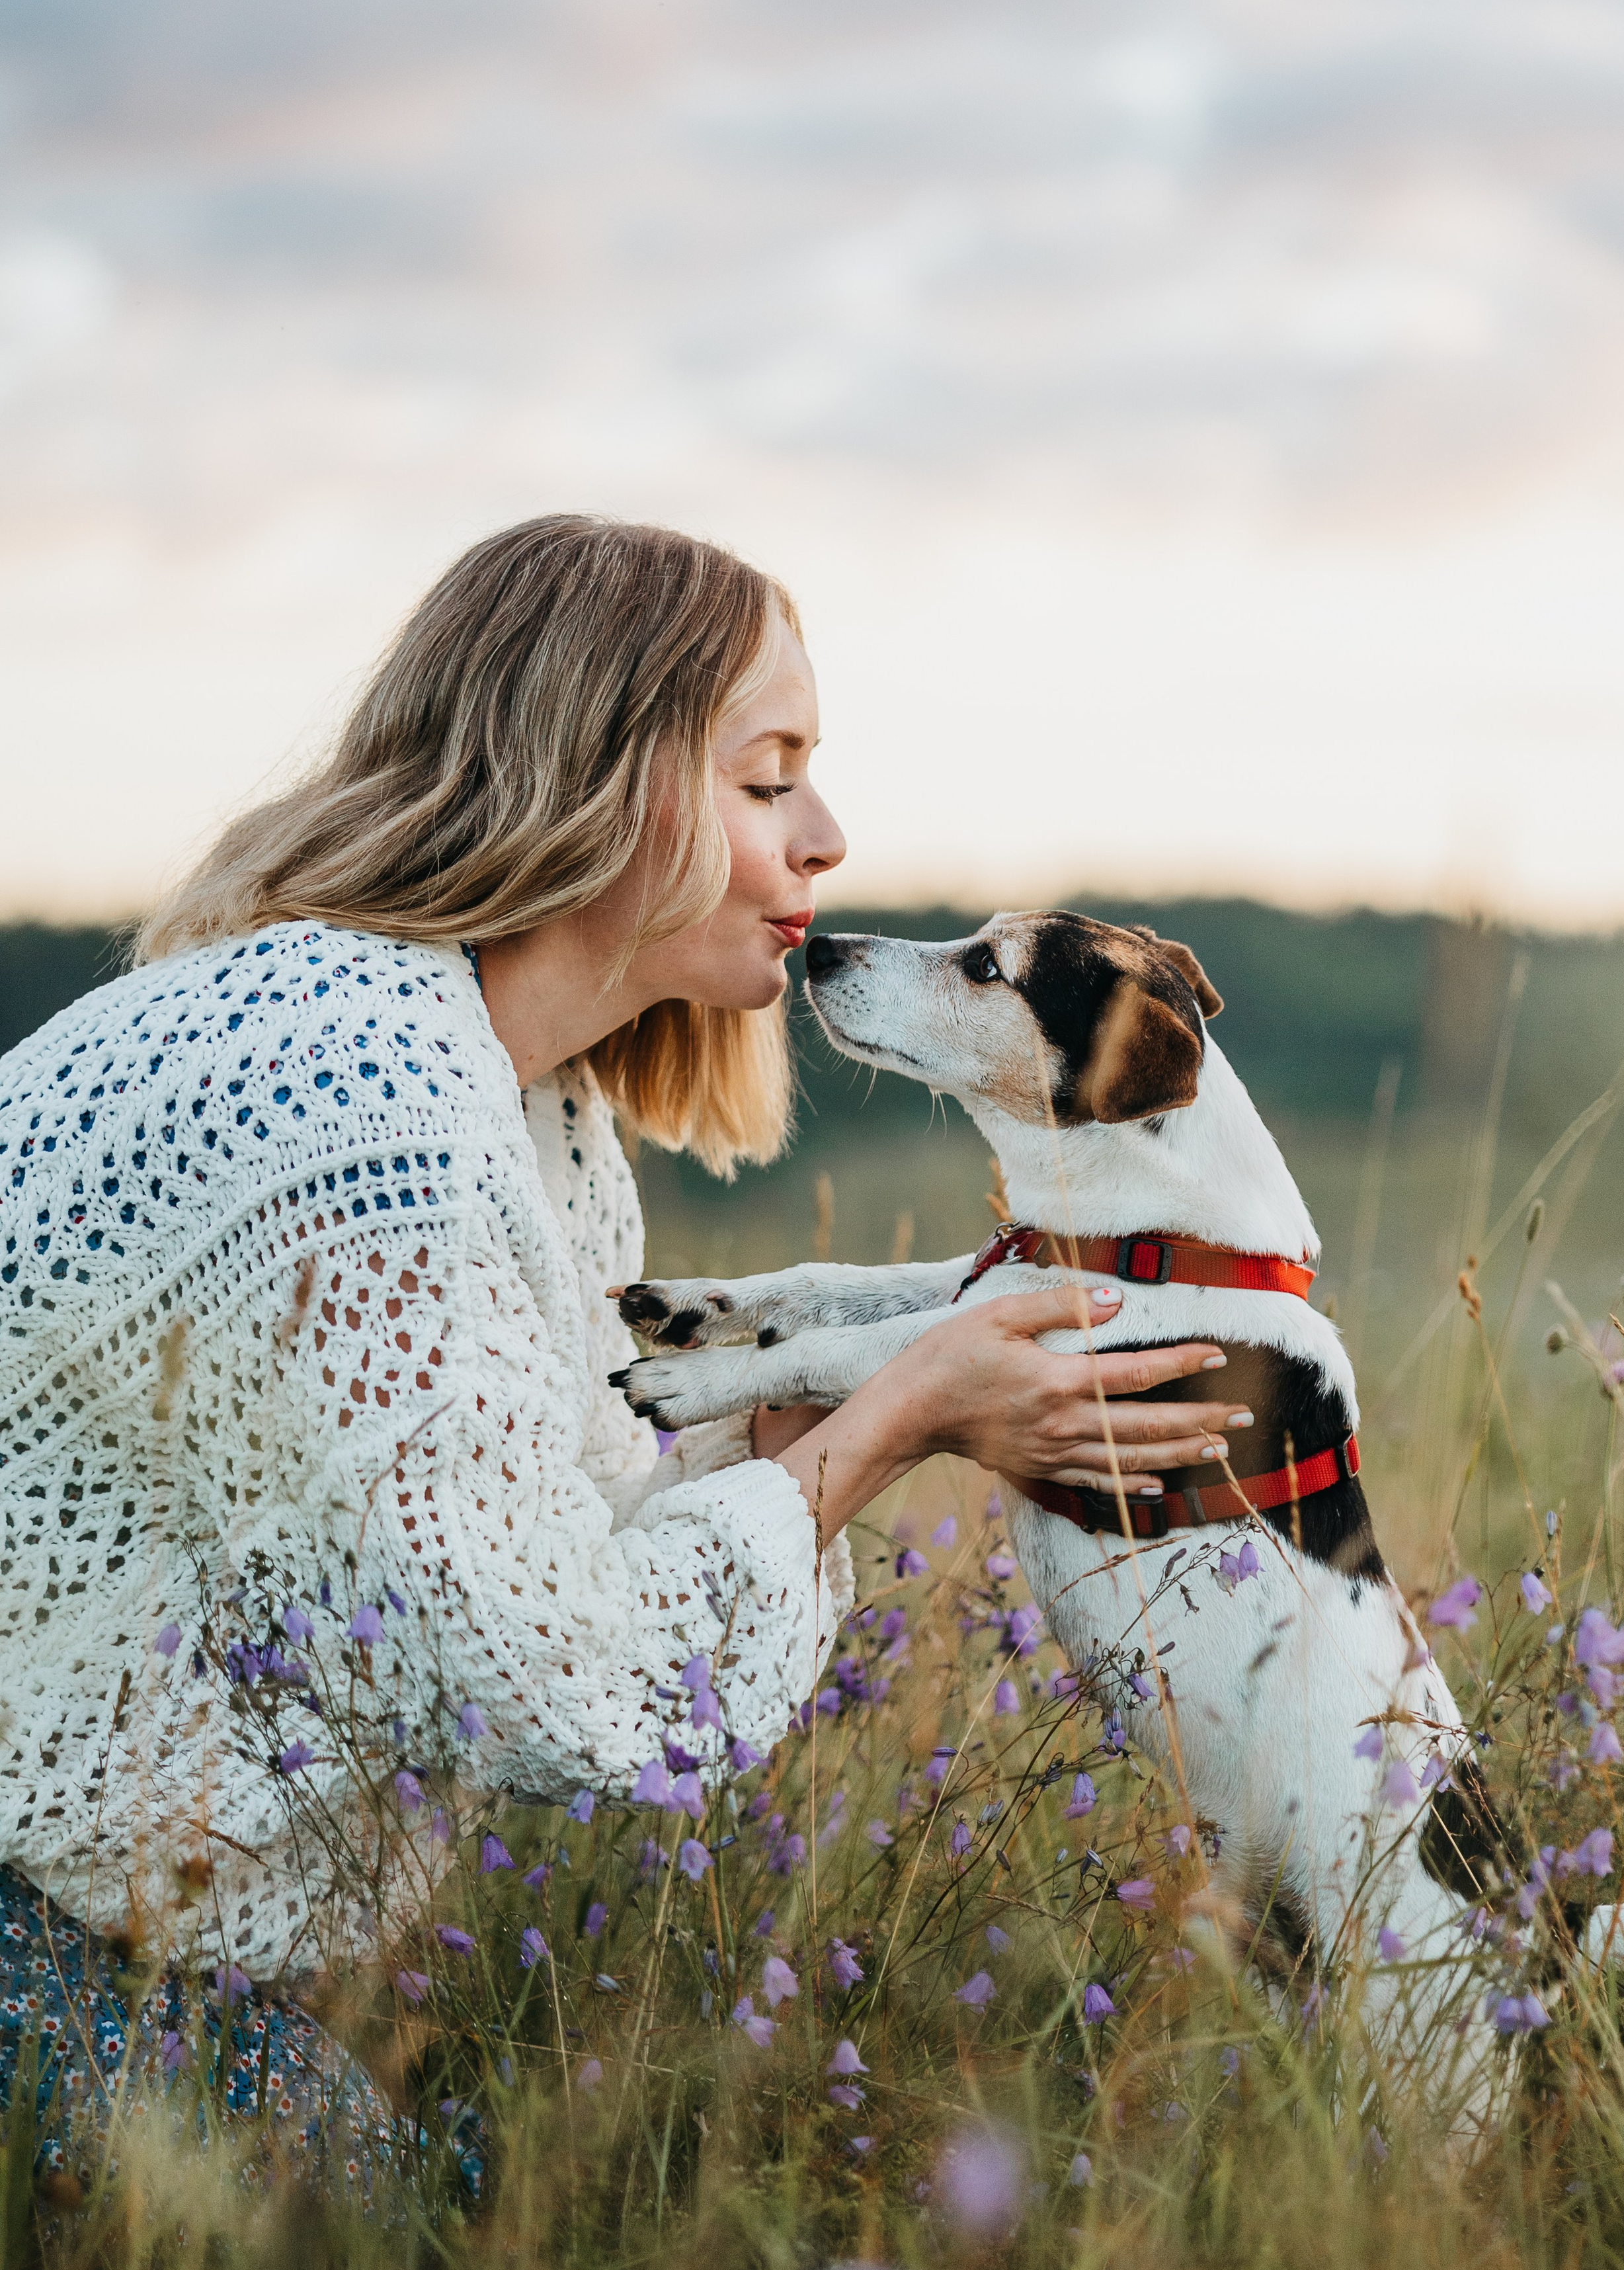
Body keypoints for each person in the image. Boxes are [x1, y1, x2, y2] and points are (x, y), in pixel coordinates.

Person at [0, 513, 1242, 2162]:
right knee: (335, 2238)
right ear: (600, 778)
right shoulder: (355, 1106)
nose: (825, 836)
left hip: (104, 1908)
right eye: (764, 777)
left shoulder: (533, 1119)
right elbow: (560, 1693)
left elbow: (566, 1552)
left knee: (418, 2189)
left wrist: (860, 1388)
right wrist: (900, 1416)